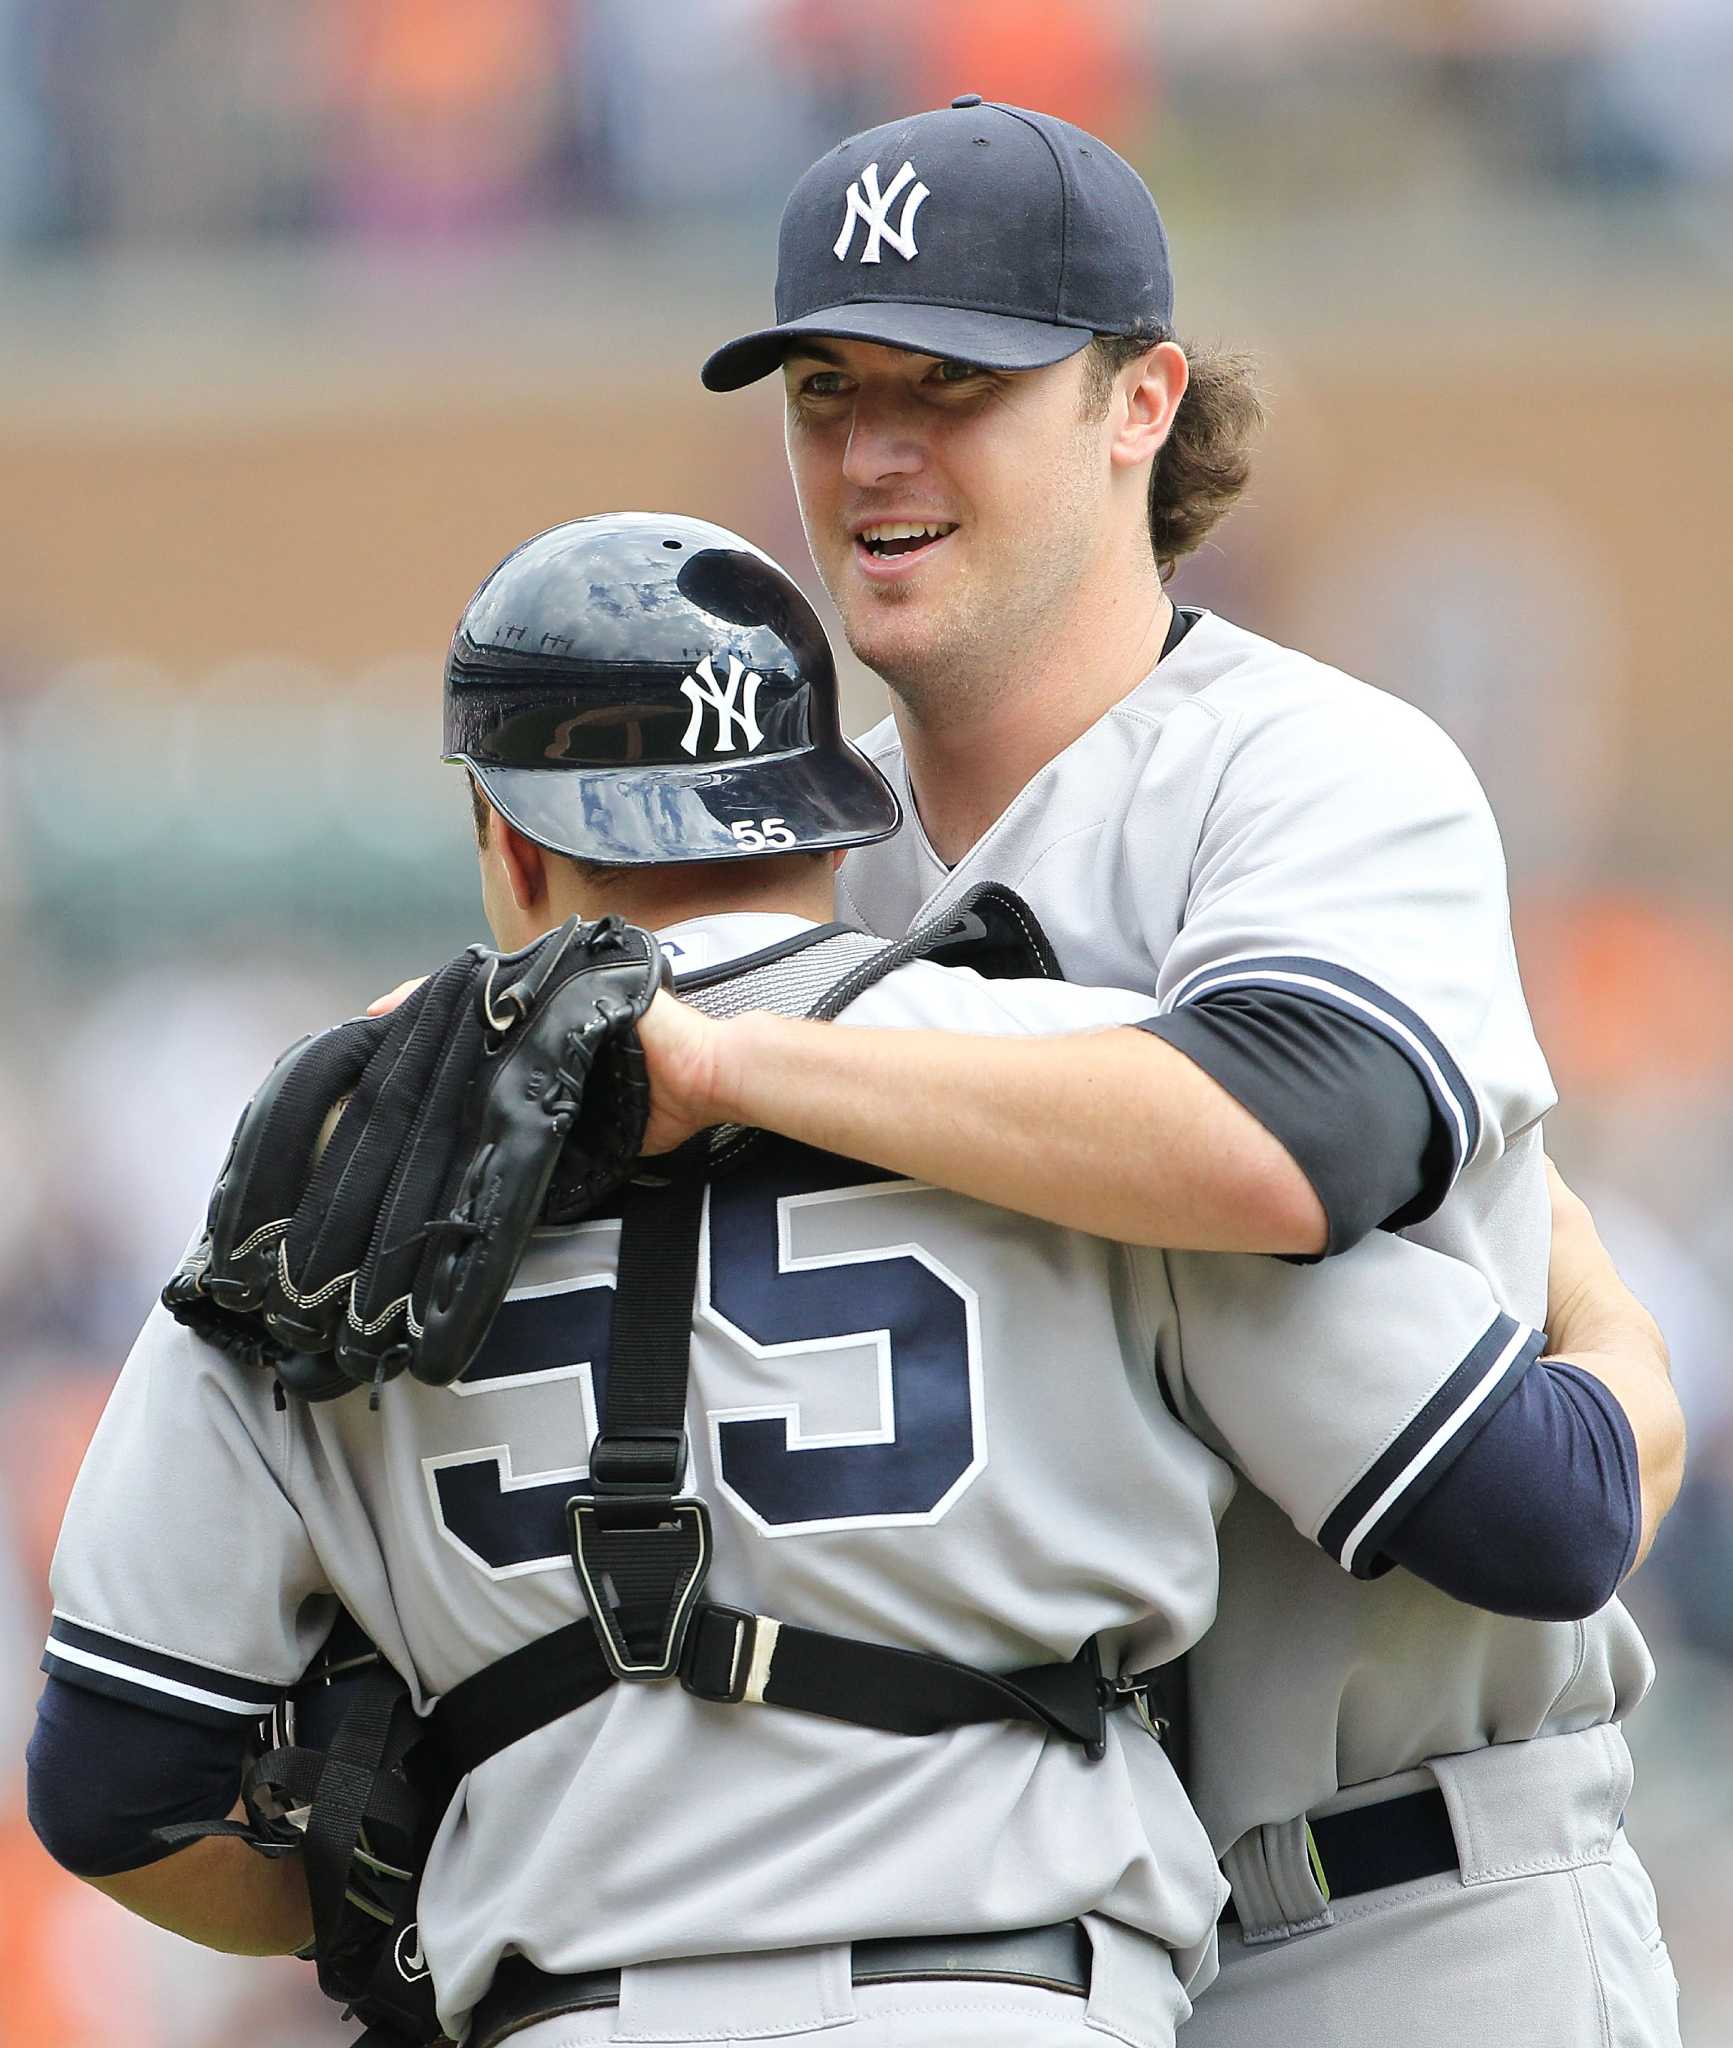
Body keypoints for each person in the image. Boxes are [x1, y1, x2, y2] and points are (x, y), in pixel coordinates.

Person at [26, 519, 1670, 2048]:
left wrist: (404, 1910)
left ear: (505, 844)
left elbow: (118, 1788)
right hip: (1009, 1998)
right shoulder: (1080, 1097)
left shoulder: (329, 1167)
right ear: (830, 816)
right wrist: (1580, 1285)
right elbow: (1538, 1516)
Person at [663, 100, 1688, 2046]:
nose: (872, 449)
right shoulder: (796, 868)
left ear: (1140, 404)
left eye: (949, 383)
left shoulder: (1309, 768)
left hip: (1403, 1905)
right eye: (825, 386)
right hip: (992, 1957)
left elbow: (1284, 1133)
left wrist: (743, 1054)